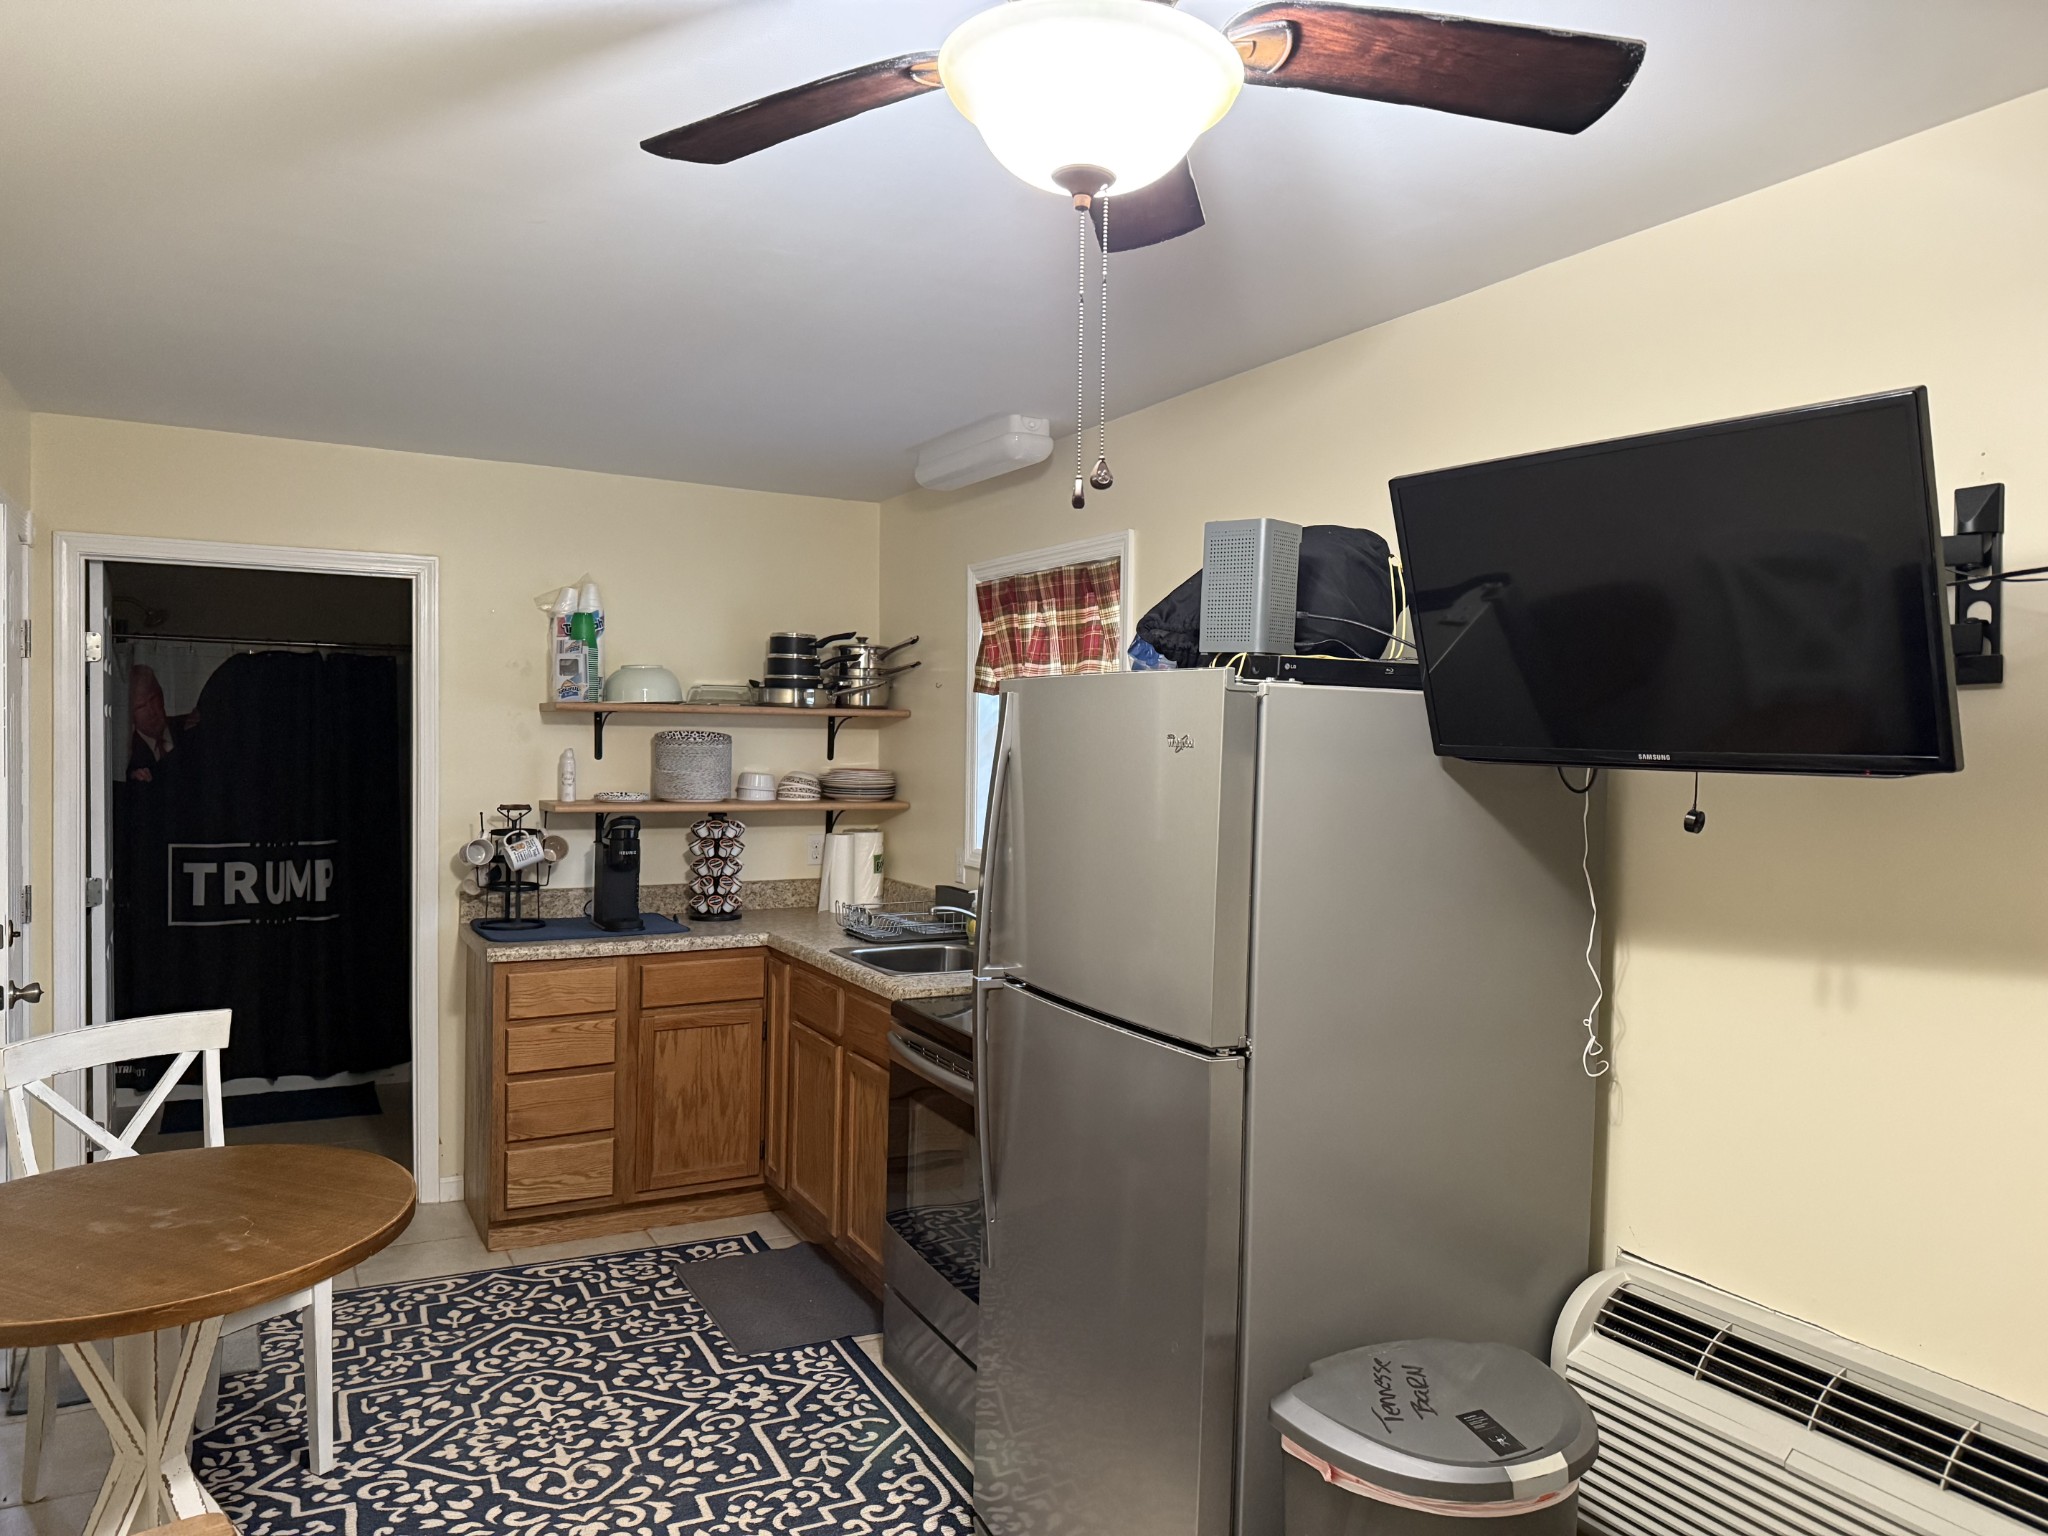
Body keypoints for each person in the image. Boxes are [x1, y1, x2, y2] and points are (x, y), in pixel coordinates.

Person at [127, 664, 195, 782]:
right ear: (130, 714)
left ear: (161, 696)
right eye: (141, 706)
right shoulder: (128, 755)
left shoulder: (189, 726)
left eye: (153, 698)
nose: (151, 711)